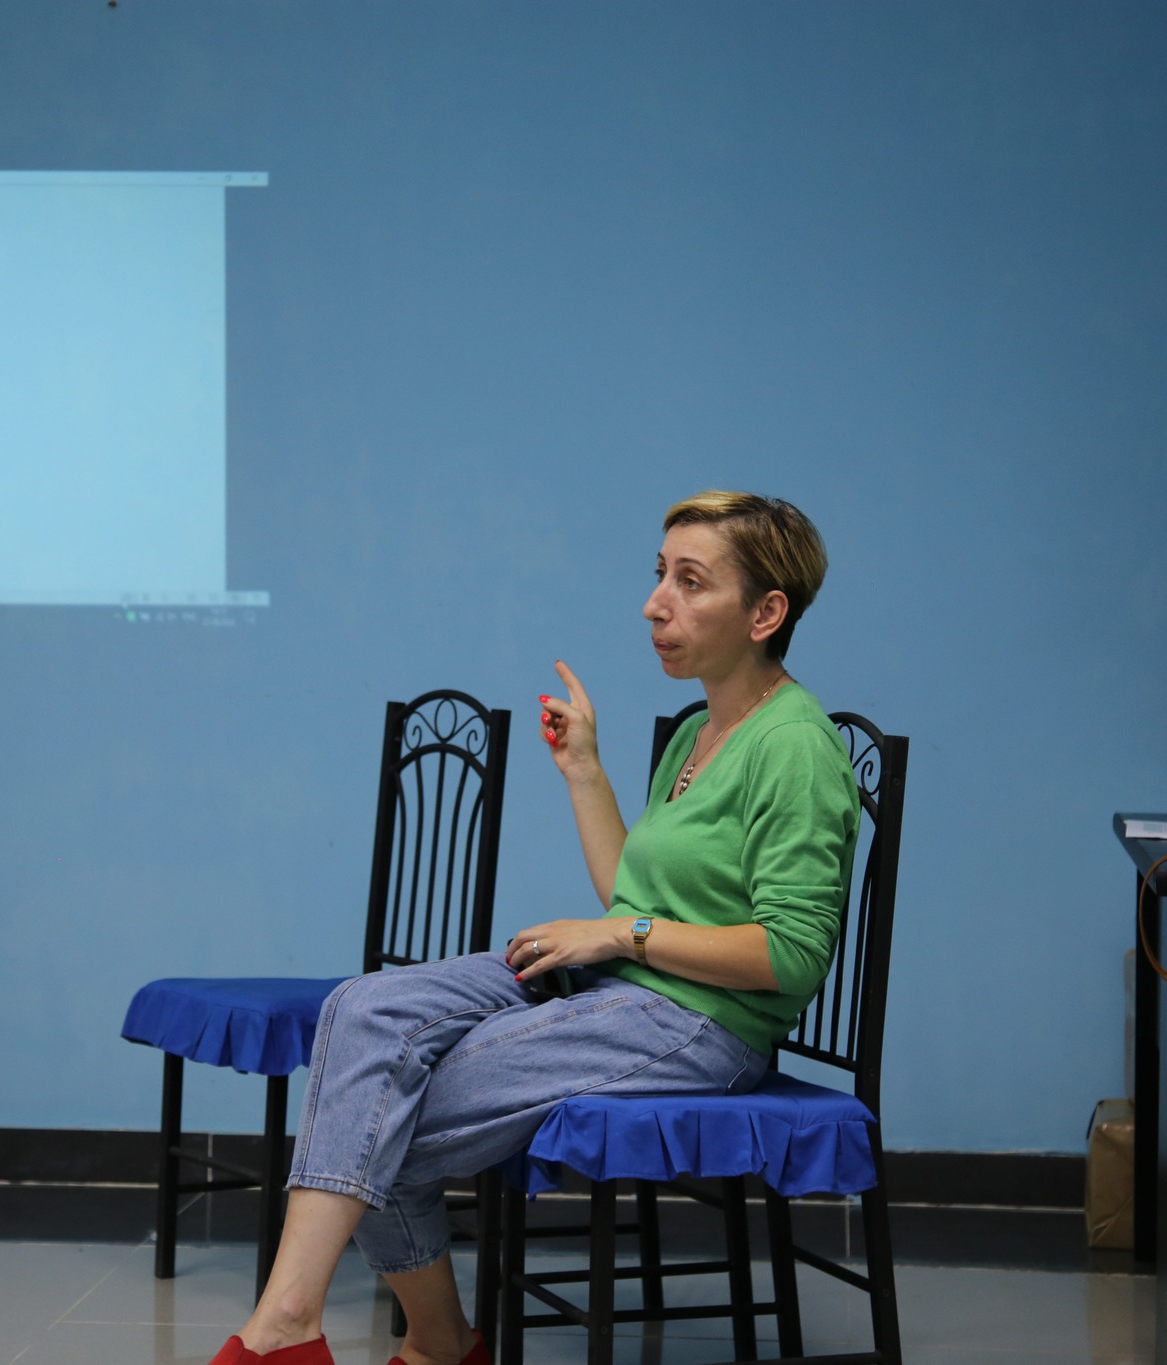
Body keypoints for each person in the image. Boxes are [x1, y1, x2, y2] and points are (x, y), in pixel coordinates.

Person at [212, 491, 861, 1365]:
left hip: (701, 1022)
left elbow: (793, 955)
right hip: (623, 985)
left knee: (381, 1113)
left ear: (766, 612)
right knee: (362, 1012)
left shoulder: (795, 745)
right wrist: (585, 769)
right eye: (659, 574)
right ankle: (348, 1332)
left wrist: (621, 935)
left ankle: (338, 1336)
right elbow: (635, 889)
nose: (655, 603)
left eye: (690, 581)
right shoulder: (699, 734)